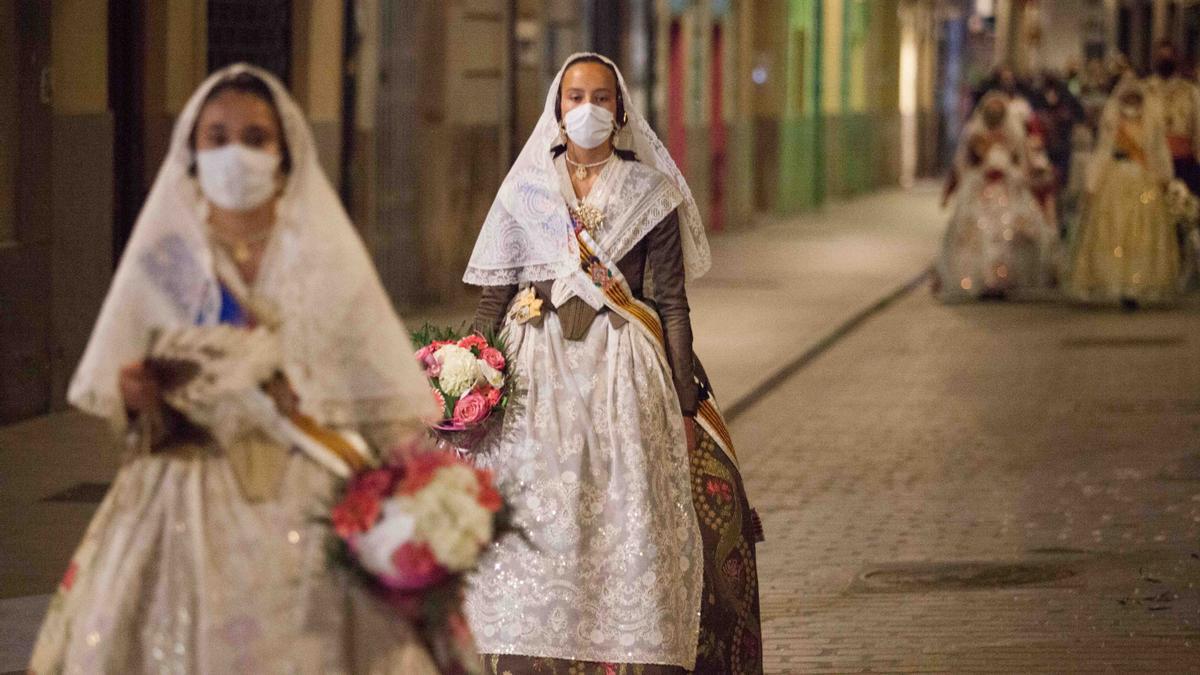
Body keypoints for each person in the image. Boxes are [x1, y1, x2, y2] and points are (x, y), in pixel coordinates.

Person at [28, 64, 442, 674]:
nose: (235, 154)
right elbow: (133, 412)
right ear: (192, 152)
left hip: (308, 492)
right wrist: (140, 398)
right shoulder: (167, 259)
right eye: (216, 138)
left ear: (284, 152)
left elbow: (371, 385)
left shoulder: (323, 257)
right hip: (183, 496)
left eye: (254, 138)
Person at [462, 53, 762, 674]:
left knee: (623, 522)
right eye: (575, 97)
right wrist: (458, 376)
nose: (588, 109)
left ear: (621, 111)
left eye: (601, 98)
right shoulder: (527, 191)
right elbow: (495, 296)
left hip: (623, 375)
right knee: (537, 521)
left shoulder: (649, 191)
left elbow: (672, 304)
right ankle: (527, 652)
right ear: (557, 107)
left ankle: (625, 650)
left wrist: (684, 404)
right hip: (536, 373)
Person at [1067, 76, 1179, 308]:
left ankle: (1135, 284)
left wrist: (1165, 177)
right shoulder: (1112, 123)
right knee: (1114, 230)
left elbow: (1159, 150)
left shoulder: (1151, 122)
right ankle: (1116, 282)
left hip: (1143, 180)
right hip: (1115, 179)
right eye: (1127, 97)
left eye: (1134, 97)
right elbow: (1102, 151)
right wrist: (1092, 183)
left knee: (1141, 232)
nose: (1131, 101)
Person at [936, 92, 1058, 301]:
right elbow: (962, 166)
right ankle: (981, 279)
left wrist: (1016, 175)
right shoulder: (974, 133)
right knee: (977, 235)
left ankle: (1004, 279)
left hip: (1008, 191)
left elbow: (1023, 164)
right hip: (979, 192)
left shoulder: (1014, 134)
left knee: (1010, 234)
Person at [1146, 41, 1200, 196]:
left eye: (1169, 57)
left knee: (1182, 205)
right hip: (1151, 161)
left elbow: (1197, 126)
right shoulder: (1145, 89)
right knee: (1149, 202)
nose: (1165, 60)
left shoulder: (1190, 91)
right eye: (1161, 57)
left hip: (1183, 161)